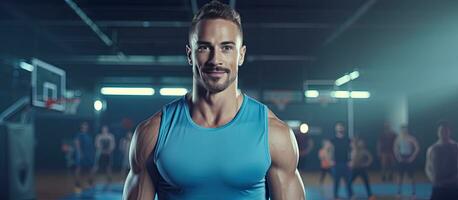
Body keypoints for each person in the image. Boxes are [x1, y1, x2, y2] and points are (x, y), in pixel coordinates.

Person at [122, 1, 305, 199]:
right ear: (190, 54)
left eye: (226, 48)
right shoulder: (152, 133)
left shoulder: (275, 135)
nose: (215, 60)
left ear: (241, 55)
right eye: (204, 48)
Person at [425, 121, 458, 200]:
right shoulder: (432, 148)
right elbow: (427, 166)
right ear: (438, 132)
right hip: (438, 186)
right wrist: (431, 178)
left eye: (445, 131)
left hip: (453, 186)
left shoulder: (456, 147)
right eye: (441, 131)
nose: (443, 133)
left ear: (449, 132)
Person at [393, 125, 420, 198]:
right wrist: (398, 157)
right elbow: (395, 149)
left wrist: (412, 157)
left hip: (409, 157)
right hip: (401, 157)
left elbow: (417, 148)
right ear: (401, 130)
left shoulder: (411, 138)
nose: (404, 131)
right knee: (400, 176)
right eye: (402, 130)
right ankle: (398, 192)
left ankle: (413, 193)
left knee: (412, 176)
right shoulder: (398, 139)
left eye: (405, 130)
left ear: (407, 130)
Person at [330, 121, 353, 199]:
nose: (340, 128)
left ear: (344, 128)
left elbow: (351, 151)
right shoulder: (333, 140)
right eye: (338, 127)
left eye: (341, 127)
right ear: (336, 128)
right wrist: (331, 160)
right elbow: (329, 151)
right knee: (336, 181)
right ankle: (335, 195)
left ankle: (350, 195)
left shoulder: (348, 139)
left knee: (348, 181)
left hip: (346, 163)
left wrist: (351, 161)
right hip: (336, 163)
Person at [73, 121, 95, 193]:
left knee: (90, 169)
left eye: (86, 125)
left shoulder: (89, 135)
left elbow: (91, 146)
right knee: (79, 169)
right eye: (84, 125)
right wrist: (80, 153)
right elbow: (77, 143)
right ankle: (77, 184)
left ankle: (90, 183)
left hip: (89, 155)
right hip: (81, 155)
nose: (85, 127)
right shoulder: (79, 135)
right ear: (81, 127)